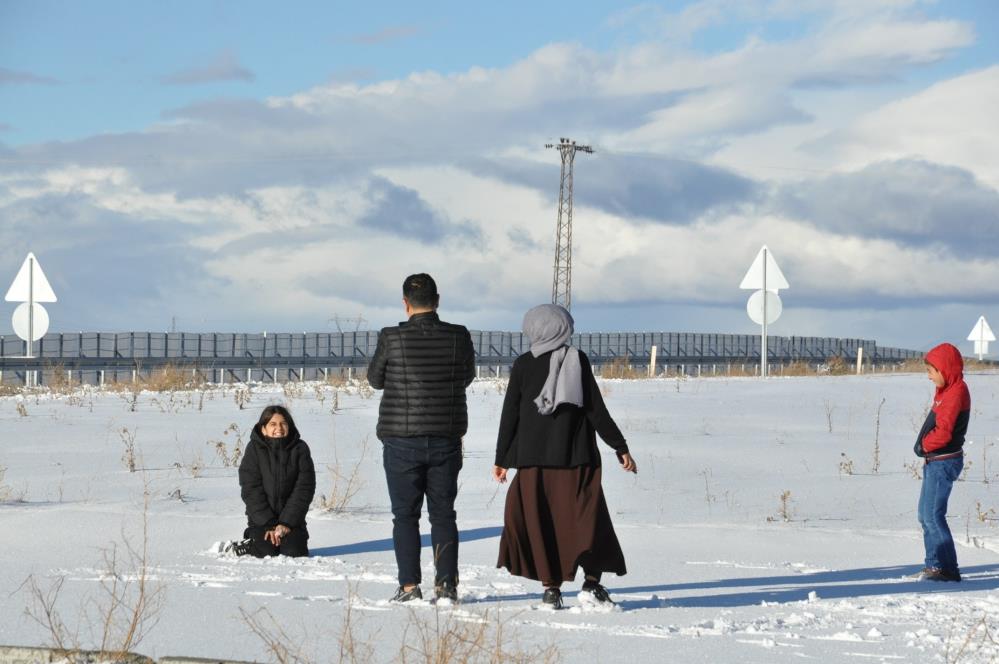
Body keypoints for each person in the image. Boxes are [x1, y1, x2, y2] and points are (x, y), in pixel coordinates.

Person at [493, 304, 636, 609]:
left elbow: (510, 416)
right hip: (576, 462)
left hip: (533, 465)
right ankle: (592, 583)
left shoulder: (523, 364)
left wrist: (502, 459)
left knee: (543, 524)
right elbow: (595, 410)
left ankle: (551, 589)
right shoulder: (576, 360)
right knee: (588, 521)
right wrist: (619, 446)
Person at [367, 273, 476, 603]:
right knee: (443, 515)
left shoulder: (391, 337)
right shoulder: (459, 336)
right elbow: (467, 376)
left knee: (405, 516)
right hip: (445, 436)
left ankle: (409, 587)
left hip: (400, 439)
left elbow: (375, 379)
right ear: (437, 300)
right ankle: (446, 586)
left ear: (405, 303)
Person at [913, 342, 970, 582]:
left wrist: (925, 445)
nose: (928, 376)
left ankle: (947, 569)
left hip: (943, 461)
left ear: (944, 369)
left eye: (931, 371)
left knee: (933, 516)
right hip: (935, 460)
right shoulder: (946, 391)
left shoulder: (956, 393)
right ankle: (934, 565)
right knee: (924, 515)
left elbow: (944, 433)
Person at [226, 405, 316, 558]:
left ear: (289, 426)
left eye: (283, 423)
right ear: (263, 429)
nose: (279, 428)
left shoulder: (300, 449)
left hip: (292, 522)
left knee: (293, 552)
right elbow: (251, 490)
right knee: (266, 551)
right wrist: (269, 524)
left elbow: (304, 489)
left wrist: (286, 523)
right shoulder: (254, 449)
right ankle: (249, 542)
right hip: (261, 521)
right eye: (273, 424)